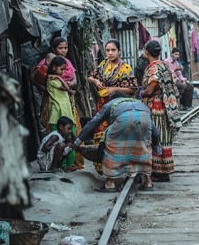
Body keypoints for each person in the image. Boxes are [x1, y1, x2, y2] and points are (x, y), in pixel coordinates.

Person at [73, 92, 159, 192]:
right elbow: (154, 130)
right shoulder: (139, 103)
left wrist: (78, 140)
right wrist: (156, 145)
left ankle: (110, 183)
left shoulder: (111, 103)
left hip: (122, 119)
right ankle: (148, 182)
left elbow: (94, 122)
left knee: (112, 146)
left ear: (112, 98)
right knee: (143, 145)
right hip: (144, 118)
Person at [87, 39, 138, 174]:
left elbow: (133, 89)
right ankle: (103, 167)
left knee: (118, 136)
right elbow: (90, 77)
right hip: (102, 105)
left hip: (118, 107)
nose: (110, 53)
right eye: (108, 50)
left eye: (113, 50)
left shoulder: (125, 68)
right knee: (101, 134)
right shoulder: (103, 65)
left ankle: (120, 167)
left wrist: (114, 89)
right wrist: (96, 81)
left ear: (119, 51)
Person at [37, 36, 84, 169]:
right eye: (60, 48)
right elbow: (36, 77)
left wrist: (69, 86)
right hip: (56, 106)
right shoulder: (47, 69)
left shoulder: (66, 63)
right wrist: (58, 82)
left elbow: (73, 81)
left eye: (65, 48)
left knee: (70, 135)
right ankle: (58, 164)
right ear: (53, 49)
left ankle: (70, 163)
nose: (63, 50)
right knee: (58, 136)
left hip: (67, 105)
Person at [140, 40, 181, 182]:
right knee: (164, 137)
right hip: (167, 107)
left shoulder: (153, 68)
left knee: (157, 137)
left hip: (156, 106)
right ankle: (164, 169)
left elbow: (151, 90)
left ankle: (160, 172)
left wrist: (140, 93)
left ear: (146, 53)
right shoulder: (164, 65)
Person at [46, 56, 78, 171]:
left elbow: (68, 88)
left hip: (67, 113)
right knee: (60, 142)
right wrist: (59, 79)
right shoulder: (51, 80)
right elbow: (66, 87)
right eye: (62, 69)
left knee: (71, 140)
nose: (63, 72)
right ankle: (61, 165)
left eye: (65, 69)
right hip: (58, 114)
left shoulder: (56, 78)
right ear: (54, 68)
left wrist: (59, 77)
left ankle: (69, 164)